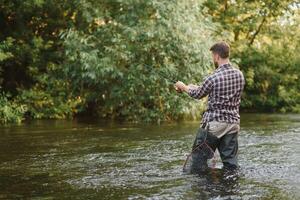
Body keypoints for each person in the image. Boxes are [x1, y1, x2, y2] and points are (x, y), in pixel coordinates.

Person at [175, 42, 245, 172]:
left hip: (214, 125)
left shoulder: (213, 77)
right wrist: (192, 86)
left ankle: (205, 190)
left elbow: (198, 94)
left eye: (213, 55)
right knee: (231, 166)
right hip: (233, 124)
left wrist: (183, 87)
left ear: (217, 56)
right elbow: (210, 91)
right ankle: (230, 190)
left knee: (196, 164)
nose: (213, 58)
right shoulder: (239, 75)